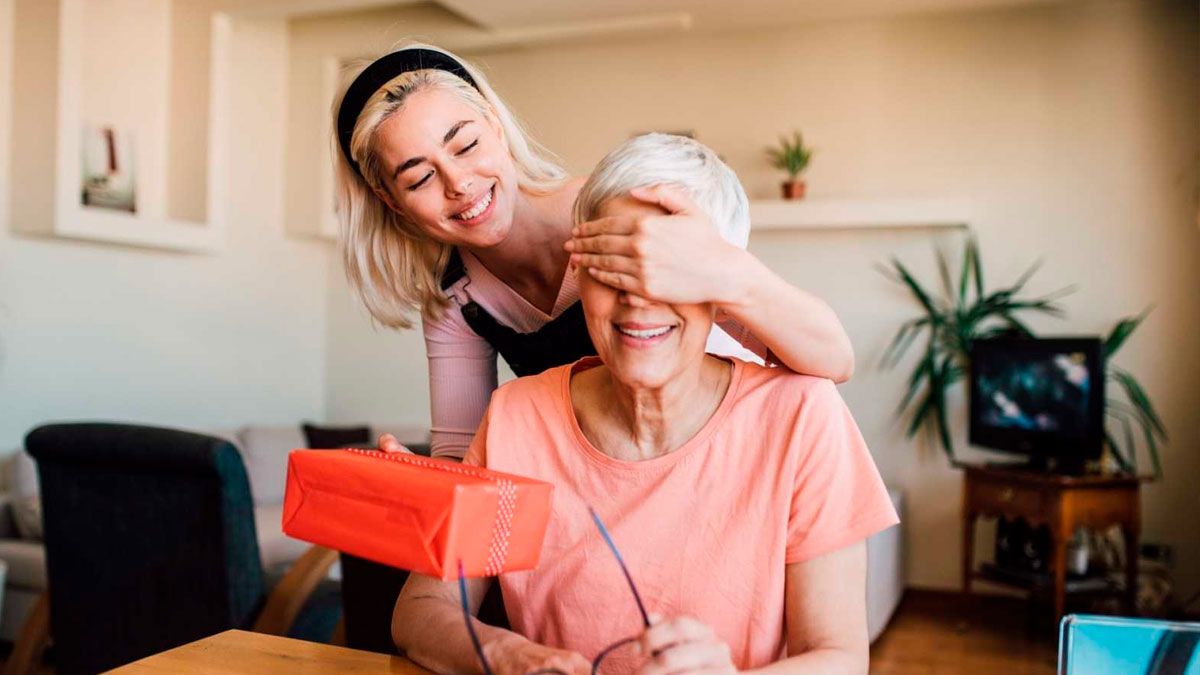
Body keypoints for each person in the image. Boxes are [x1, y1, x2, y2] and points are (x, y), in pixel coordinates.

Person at [390, 134, 898, 675]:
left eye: (670, 272)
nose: (639, 298)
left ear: (723, 293)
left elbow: (841, 659)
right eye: (615, 265)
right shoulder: (516, 417)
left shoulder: (802, 416)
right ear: (580, 273)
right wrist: (511, 656)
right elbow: (420, 612)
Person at [332, 43, 856, 461]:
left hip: (732, 445)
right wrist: (425, 479)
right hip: (617, 470)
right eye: (420, 177)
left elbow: (831, 359)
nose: (459, 184)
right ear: (391, 201)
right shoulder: (457, 299)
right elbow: (467, 455)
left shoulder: (618, 211)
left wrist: (719, 269)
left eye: (466, 145)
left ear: (494, 124)